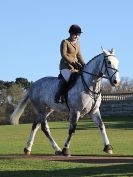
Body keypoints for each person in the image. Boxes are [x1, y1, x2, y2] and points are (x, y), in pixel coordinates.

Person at [54, 24, 85, 103]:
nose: (77, 36)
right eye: (75, 34)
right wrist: (74, 63)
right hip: (65, 66)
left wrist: (84, 65)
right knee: (67, 78)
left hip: (75, 67)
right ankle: (59, 96)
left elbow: (79, 55)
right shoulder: (65, 42)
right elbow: (63, 55)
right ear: (70, 34)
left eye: (78, 35)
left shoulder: (77, 43)